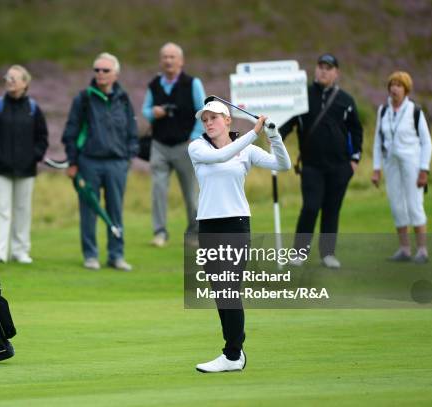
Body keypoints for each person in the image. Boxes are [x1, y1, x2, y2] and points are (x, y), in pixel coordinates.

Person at [188, 100, 291, 373]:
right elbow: (220, 157)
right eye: (205, 119)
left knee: (229, 288)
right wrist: (254, 133)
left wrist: (273, 135)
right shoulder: (197, 147)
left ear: (227, 120)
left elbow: (283, 164)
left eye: (214, 118)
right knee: (221, 292)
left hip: (235, 225)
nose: (209, 123)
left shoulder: (246, 150)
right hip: (208, 226)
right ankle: (234, 353)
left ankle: (233, 354)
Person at [279, 54, 363, 269]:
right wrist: (274, 138)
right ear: (316, 70)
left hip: (339, 166)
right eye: (321, 67)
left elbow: (356, 130)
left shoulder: (346, 100)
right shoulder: (303, 96)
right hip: (311, 166)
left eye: (329, 68)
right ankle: (299, 253)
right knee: (310, 207)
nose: (324, 71)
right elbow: (288, 124)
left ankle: (328, 254)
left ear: (336, 72)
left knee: (332, 209)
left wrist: (354, 160)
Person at [62, 52, 138, 271]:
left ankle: (116, 255)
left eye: (105, 70)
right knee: (89, 210)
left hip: (117, 164)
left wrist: (128, 157)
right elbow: (71, 132)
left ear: (115, 74)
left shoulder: (123, 99)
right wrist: (72, 162)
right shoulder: (83, 98)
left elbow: (132, 130)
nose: (100, 74)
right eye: (96, 70)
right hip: (89, 163)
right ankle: (90, 255)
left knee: (115, 210)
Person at [0, 64, 49, 264]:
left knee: (22, 210)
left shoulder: (33, 109)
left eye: (14, 78)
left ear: (25, 83)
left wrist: (34, 156)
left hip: (26, 170)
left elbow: (42, 138)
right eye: (8, 78)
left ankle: (20, 250)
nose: (9, 81)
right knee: (1, 209)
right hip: (0, 170)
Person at [142, 42, 205, 247]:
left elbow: (203, 112)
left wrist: (194, 137)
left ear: (181, 61)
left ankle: (194, 233)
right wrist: (154, 113)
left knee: (191, 194)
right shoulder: (154, 84)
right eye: (165, 57)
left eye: (172, 57)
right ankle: (159, 233)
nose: (168, 60)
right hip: (159, 146)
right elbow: (145, 110)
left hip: (185, 145)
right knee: (158, 191)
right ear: (161, 61)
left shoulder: (192, 83)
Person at [371, 71, 432, 263]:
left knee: (415, 206)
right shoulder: (383, 111)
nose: (394, 88)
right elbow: (377, 141)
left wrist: (424, 169)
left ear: (406, 90)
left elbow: (427, 143)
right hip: (391, 164)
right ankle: (404, 250)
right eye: (392, 85)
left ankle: (422, 250)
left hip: (412, 164)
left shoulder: (415, 111)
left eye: (399, 85)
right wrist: (376, 168)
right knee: (397, 206)